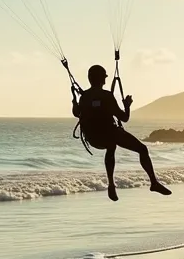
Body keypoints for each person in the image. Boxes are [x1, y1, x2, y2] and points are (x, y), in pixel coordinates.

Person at [71, 63, 172, 202]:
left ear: (90, 79)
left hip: (93, 138)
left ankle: (111, 184)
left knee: (111, 145)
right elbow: (124, 118)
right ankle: (153, 183)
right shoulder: (107, 96)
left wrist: (74, 102)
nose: (106, 80)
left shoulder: (84, 96)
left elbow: (77, 113)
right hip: (109, 133)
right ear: (101, 79)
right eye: (104, 78)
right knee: (142, 149)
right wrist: (127, 106)